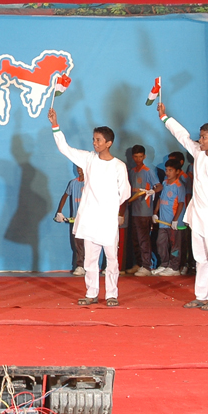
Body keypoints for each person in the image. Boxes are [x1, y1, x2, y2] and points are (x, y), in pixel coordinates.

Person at [48, 108, 130, 307]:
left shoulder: (118, 166)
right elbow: (65, 148)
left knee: (111, 259)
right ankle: (91, 293)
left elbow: (125, 193)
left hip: (107, 221)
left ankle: (111, 294)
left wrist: (111, 208)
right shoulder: (88, 159)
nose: (95, 143)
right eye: (93, 139)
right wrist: (55, 125)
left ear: (108, 143)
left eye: (98, 140)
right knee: (90, 260)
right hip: (89, 219)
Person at [158, 101, 208, 311]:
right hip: (197, 216)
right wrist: (165, 118)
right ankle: (201, 296)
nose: (200, 140)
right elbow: (182, 136)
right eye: (200, 137)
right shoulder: (199, 153)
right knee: (200, 258)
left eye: (204, 137)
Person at [128, 144, 161, 276]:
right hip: (134, 210)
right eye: (136, 157)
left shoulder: (148, 171)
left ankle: (147, 266)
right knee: (135, 239)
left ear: (144, 156)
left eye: (140, 157)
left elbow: (159, 186)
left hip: (145, 211)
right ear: (132, 157)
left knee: (144, 239)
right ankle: (139, 263)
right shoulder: (132, 171)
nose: (138, 159)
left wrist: (152, 191)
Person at [151, 158, 185, 276]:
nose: (167, 172)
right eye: (166, 170)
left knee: (175, 245)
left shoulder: (179, 186)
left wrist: (175, 219)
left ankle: (174, 267)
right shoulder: (165, 183)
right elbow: (161, 199)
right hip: (163, 222)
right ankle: (164, 264)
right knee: (161, 243)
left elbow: (181, 203)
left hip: (173, 223)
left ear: (177, 171)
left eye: (170, 170)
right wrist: (155, 212)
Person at [54, 167, 86, 275]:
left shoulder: (91, 183)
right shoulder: (73, 183)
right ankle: (80, 266)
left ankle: (90, 266)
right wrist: (59, 212)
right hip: (76, 219)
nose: (79, 170)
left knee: (89, 244)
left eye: (81, 168)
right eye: (78, 168)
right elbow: (65, 196)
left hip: (88, 219)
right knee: (78, 244)